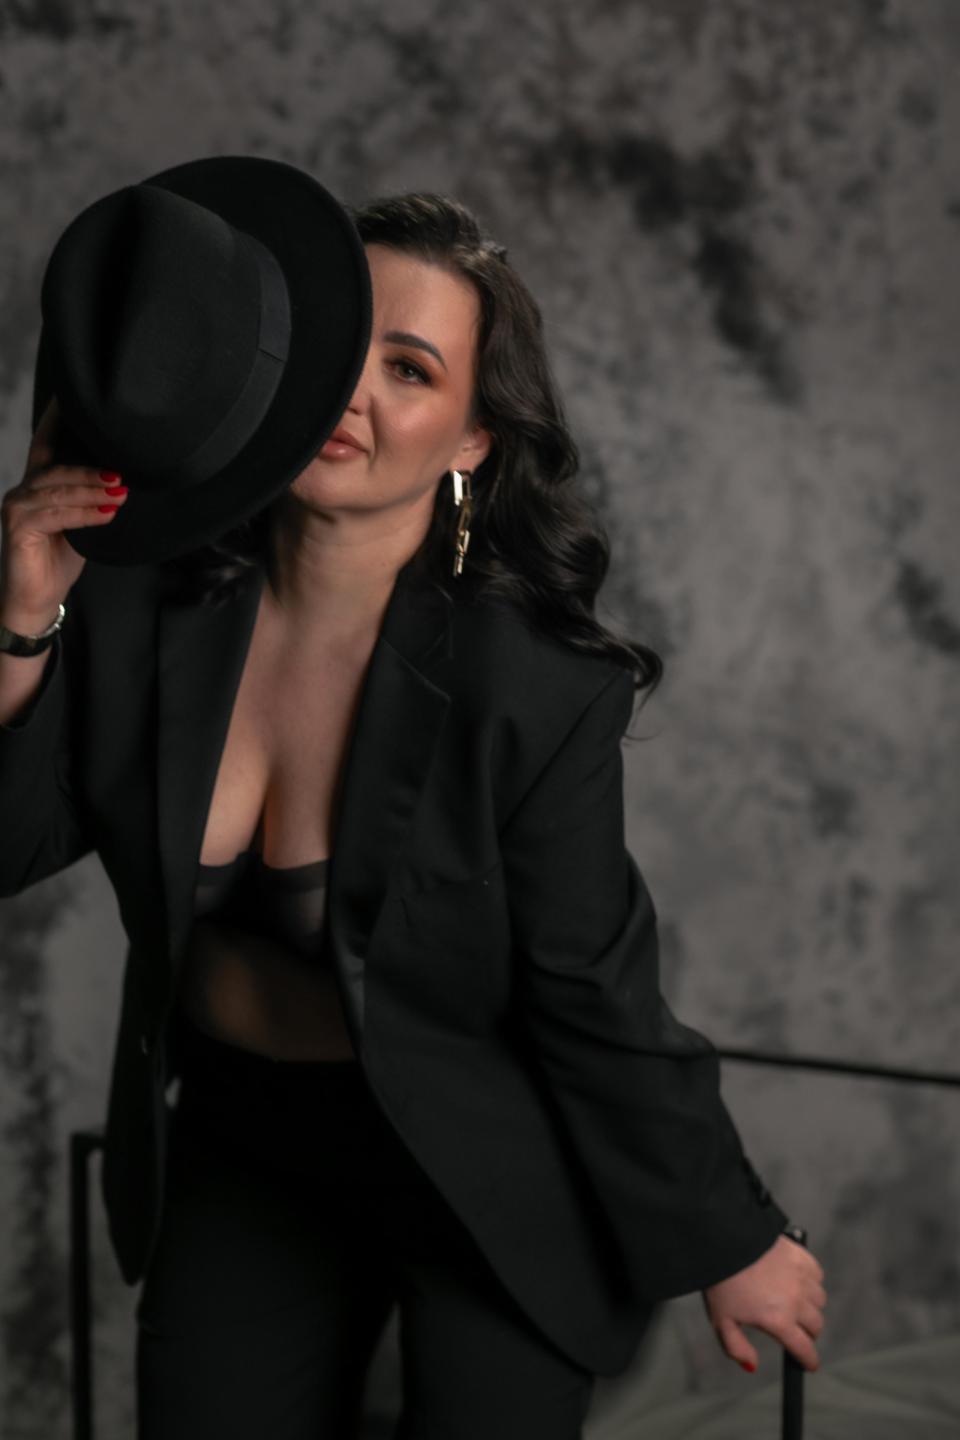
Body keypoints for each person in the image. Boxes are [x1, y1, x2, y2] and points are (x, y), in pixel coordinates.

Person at [0, 159, 826, 1439]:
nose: (355, 396)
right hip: (241, 1144)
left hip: (482, 1165)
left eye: (410, 369)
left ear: (474, 437)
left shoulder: (531, 687)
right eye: (338, 353)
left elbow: (589, 989)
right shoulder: (142, 596)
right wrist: (19, 620)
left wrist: (732, 1234)